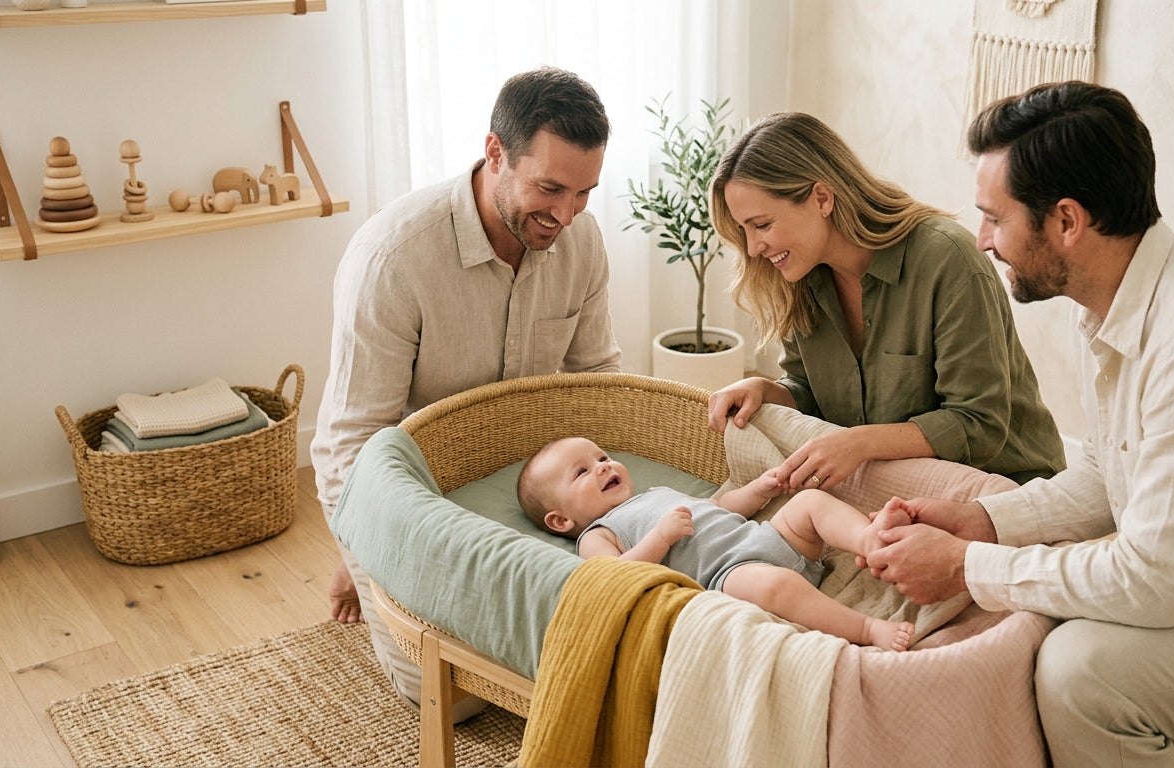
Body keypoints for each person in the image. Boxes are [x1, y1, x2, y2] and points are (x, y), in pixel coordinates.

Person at [863, 81, 1174, 766]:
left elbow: (1156, 580)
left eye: (994, 218)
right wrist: (984, 523)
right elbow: (1106, 473)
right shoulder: (1108, 301)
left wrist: (965, 567)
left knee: (1082, 671)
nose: (981, 240)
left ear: (1067, 221)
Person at [310, 67, 622, 710]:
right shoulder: (391, 259)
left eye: (584, 193)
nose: (566, 214)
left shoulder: (579, 237)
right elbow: (347, 448)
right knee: (459, 699)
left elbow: (599, 384)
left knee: (611, 645)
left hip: (536, 489)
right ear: (495, 154)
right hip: (419, 501)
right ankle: (358, 561)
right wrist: (375, 552)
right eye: (550, 189)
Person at [705, 111, 1065, 497]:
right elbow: (814, 392)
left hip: (1006, 489)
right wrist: (764, 389)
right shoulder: (800, 277)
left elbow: (979, 425)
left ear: (822, 198)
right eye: (743, 230)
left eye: (761, 225)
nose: (752, 248)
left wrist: (859, 444)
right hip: (894, 490)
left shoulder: (947, 259)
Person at [518, 436, 916, 651]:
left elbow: (720, 505)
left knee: (808, 503)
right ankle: (865, 629)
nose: (603, 466)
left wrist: (759, 490)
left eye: (602, 456)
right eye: (583, 472)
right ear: (561, 520)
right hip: (729, 576)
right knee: (775, 586)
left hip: (766, 539)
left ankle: (871, 538)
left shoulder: (655, 492)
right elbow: (618, 576)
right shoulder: (597, 534)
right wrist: (660, 537)